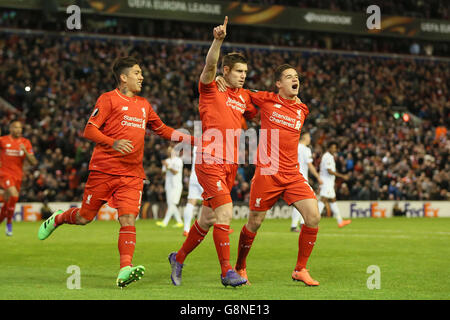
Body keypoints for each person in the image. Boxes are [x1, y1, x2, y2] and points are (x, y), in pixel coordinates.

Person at [37, 56, 194, 288]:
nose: (142, 77)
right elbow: (89, 130)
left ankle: (124, 269)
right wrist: (113, 142)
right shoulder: (108, 99)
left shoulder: (144, 105)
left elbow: (162, 129)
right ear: (123, 77)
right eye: (137, 73)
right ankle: (58, 218)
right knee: (84, 218)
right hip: (103, 170)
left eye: (141, 73)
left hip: (132, 174)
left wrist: (193, 140)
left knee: (128, 218)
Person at [168, 16, 258, 288]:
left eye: (245, 72)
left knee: (206, 220)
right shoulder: (210, 89)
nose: (243, 75)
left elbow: (260, 108)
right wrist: (217, 41)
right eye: (239, 71)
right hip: (209, 160)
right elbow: (209, 66)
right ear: (226, 70)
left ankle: (178, 258)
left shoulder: (243, 97)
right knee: (226, 211)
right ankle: (227, 272)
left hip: (231, 164)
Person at [231, 64, 321, 286]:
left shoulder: (303, 110)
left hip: (292, 173)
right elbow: (242, 94)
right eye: (289, 76)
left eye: (297, 76)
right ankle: (240, 267)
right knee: (255, 222)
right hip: (268, 172)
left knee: (313, 217)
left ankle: (300, 269)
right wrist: (226, 82)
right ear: (279, 84)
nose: (295, 79)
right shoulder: (267, 99)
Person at [0, 120, 37, 236]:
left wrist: (25, 151)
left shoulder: (25, 142)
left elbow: (33, 162)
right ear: (10, 128)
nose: (18, 130)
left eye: (20, 128)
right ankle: (9, 223)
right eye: (16, 127)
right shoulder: (2, 140)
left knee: (7, 202)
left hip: (18, 176)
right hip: (4, 174)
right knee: (14, 195)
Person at [290, 132, 322, 232]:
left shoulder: (294, 146)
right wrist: (318, 177)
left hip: (292, 176)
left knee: (300, 201)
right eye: (309, 137)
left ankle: (302, 223)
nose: (310, 139)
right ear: (305, 137)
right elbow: (310, 165)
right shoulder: (305, 149)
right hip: (301, 178)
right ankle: (294, 225)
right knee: (302, 201)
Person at [317, 141, 352, 228]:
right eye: (332, 147)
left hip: (329, 182)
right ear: (328, 148)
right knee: (323, 200)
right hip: (326, 182)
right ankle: (313, 221)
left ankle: (340, 221)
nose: (334, 149)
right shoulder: (327, 157)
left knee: (333, 200)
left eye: (335, 148)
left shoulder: (330, 156)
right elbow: (329, 171)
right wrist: (342, 176)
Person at [157, 145, 184, 228]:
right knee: (171, 204)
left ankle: (165, 222)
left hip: (176, 185)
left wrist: (168, 166)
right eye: (168, 150)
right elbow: (163, 173)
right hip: (168, 185)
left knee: (172, 203)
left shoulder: (178, 160)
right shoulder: (167, 160)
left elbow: (175, 172)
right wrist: (165, 166)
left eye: (170, 150)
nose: (169, 152)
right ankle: (179, 222)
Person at [182, 145, 203, 237]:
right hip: (205, 175)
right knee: (217, 201)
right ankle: (223, 227)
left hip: (194, 175)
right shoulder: (210, 144)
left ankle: (186, 229)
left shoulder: (196, 145)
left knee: (191, 202)